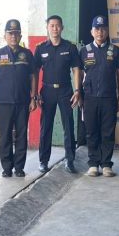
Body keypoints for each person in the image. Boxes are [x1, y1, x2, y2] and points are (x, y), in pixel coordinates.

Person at [34, 15, 83, 174]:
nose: (55, 28)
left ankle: (70, 160)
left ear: (62, 28)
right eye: (52, 25)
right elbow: (34, 72)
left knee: (68, 126)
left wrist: (77, 90)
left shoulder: (70, 47)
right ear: (47, 28)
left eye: (57, 25)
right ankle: (43, 161)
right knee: (46, 127)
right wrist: (35, 94)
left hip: (65, 91)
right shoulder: (41, 48)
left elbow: (76, 70)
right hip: (47, 91)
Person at [0, 19, 38, 178]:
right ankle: (6, 167)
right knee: (5, 136)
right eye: (10, 33)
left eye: (16, 33)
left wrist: (33, 97)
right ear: (5, 36)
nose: (13, 36)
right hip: (4, 102)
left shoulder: (27, 54)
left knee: (21, 135)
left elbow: (33, 76)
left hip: (23, 102)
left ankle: (19, 167)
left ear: (20, 36)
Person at [80, 15, 119, 177]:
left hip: (109, 98)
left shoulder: (115, 50)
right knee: (91, 132)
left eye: (103, 29)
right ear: (92, 31)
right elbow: (78, 74)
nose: (100, 32)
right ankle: (93, 164)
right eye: (97, 29)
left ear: (107, 31)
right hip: (90, 98)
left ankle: (106, 164)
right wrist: (79, 93)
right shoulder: (84, 51)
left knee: (108, 132)